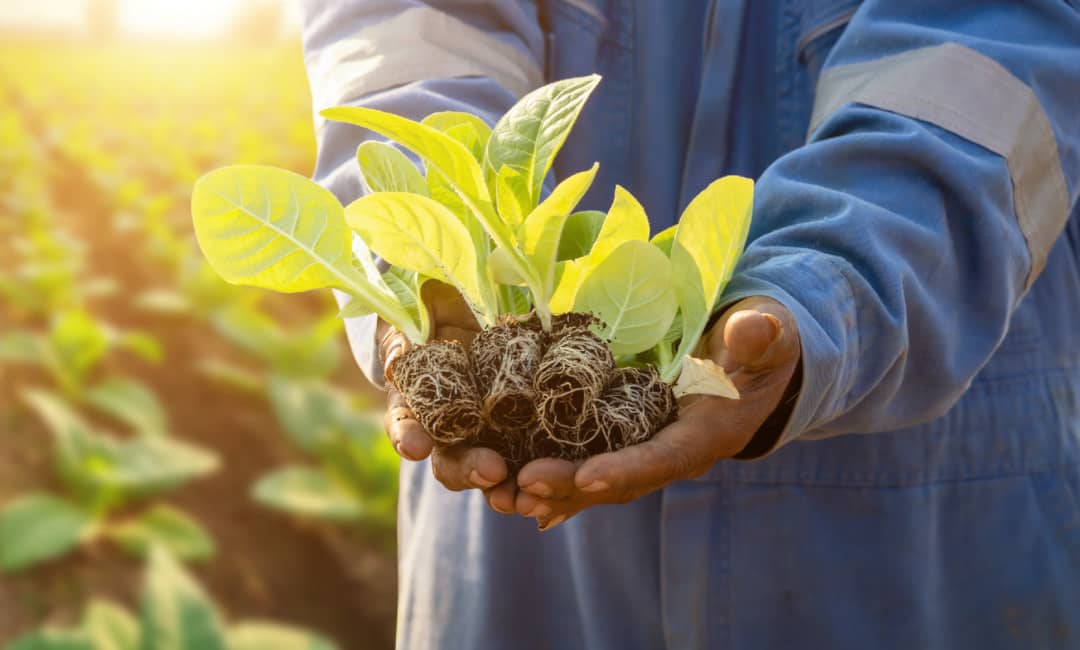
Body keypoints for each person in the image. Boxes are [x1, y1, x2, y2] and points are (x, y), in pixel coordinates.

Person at [300, 1, 1080, 648]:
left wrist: (822, 290)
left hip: (920, 502)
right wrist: (431, 261)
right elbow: (408, 36)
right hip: (520, 560)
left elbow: (988, 62)